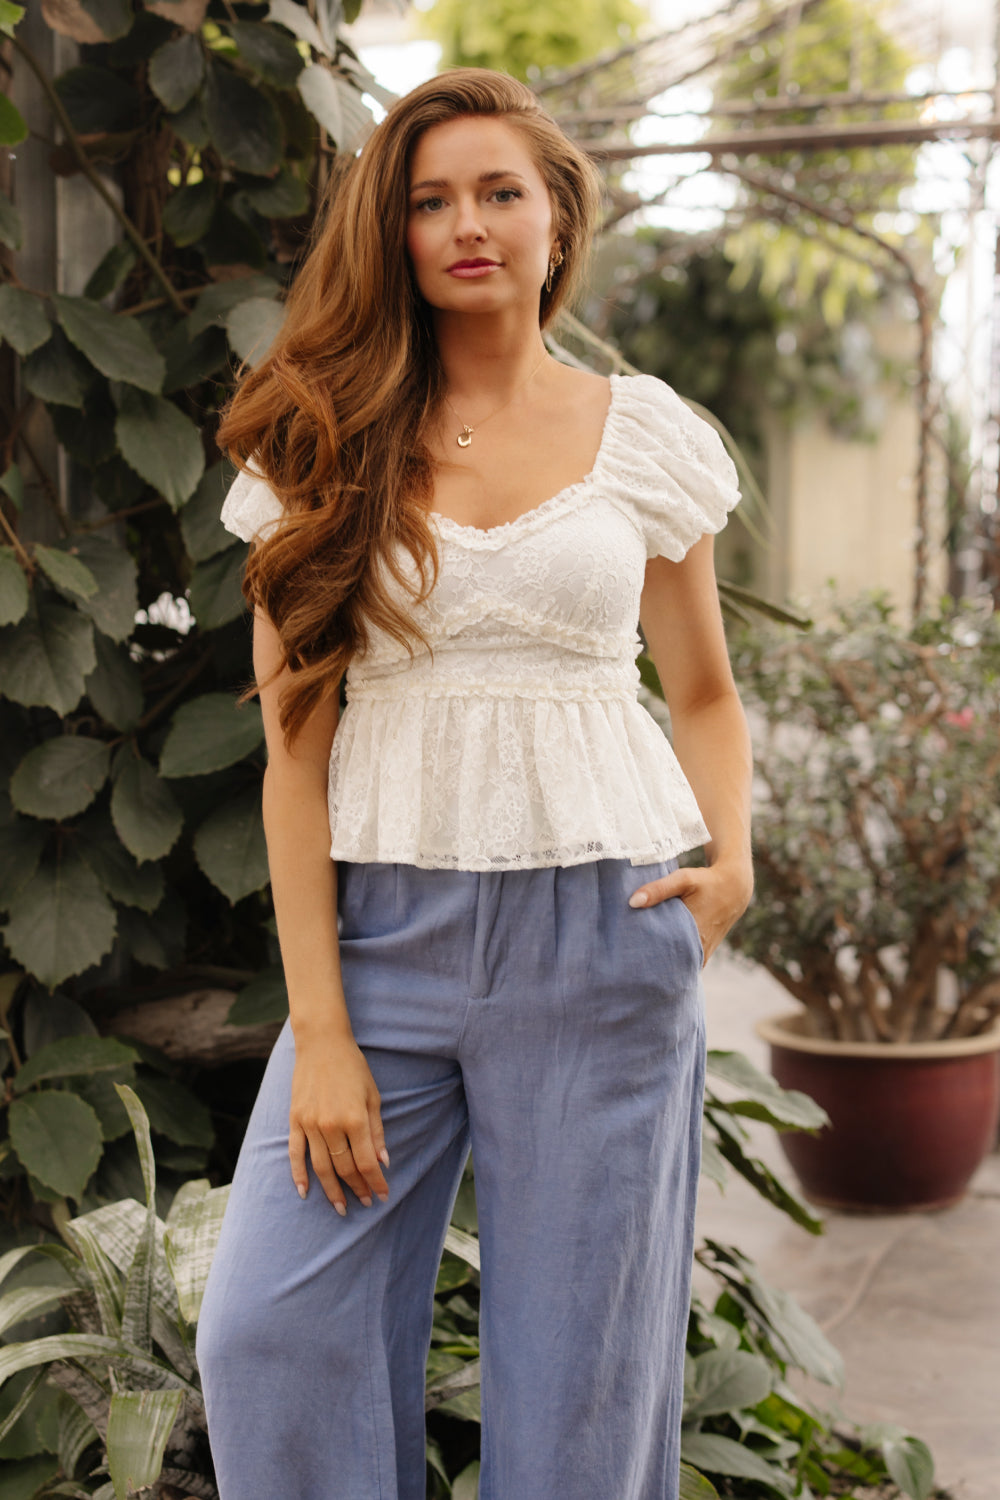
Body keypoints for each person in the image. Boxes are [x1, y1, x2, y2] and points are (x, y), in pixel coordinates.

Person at [196, 67, 753, 1500]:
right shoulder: (317, 440)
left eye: (500, 192)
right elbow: (294, 763)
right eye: (430, 200)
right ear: (393, 235)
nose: (467, 225)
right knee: (268, 1327)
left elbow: (699, 689)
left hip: (600, 937)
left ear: (558, 221)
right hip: (384, 949)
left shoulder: (645, 436)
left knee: (583, 1388)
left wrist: (734, 859)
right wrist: (322, 1031)